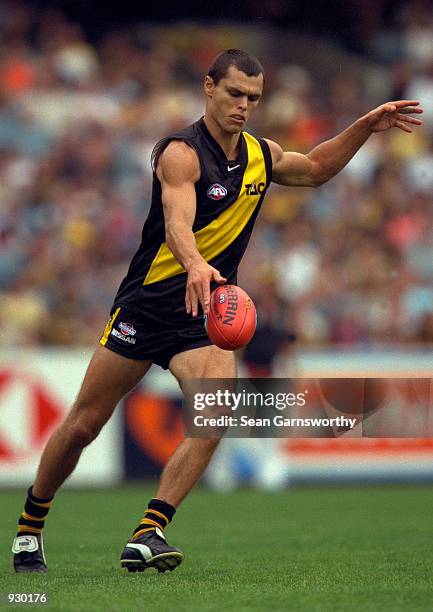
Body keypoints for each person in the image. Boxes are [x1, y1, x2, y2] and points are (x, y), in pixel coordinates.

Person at [12, 49, 423, 574]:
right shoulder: (180, 154)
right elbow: (177, 222)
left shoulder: (260, 154)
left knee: (216, 411)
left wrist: (365, 127)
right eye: (234, 93)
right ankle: (29, 528)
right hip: (148, 305)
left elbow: (317, 168)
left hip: (204, 317)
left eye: (253, 98)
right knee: (83, 426)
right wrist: (196, 264)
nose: (243, 106)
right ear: (209, 87)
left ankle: (149, 532)